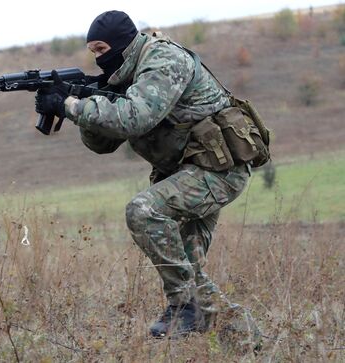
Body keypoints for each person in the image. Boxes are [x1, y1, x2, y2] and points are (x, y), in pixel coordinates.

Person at [35, 10, 265, 349]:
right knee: (191, 270)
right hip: (189, 171)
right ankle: (249, 344)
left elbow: (136, 119)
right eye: (93, 53)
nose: (99, 59)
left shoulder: (163, 59)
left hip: (219, 169)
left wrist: (70, 105)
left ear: (121, 44)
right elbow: (103, 143)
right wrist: (84, 101)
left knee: (144, 211)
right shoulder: (124, 75)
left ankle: (183, 307)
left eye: (101, 49)